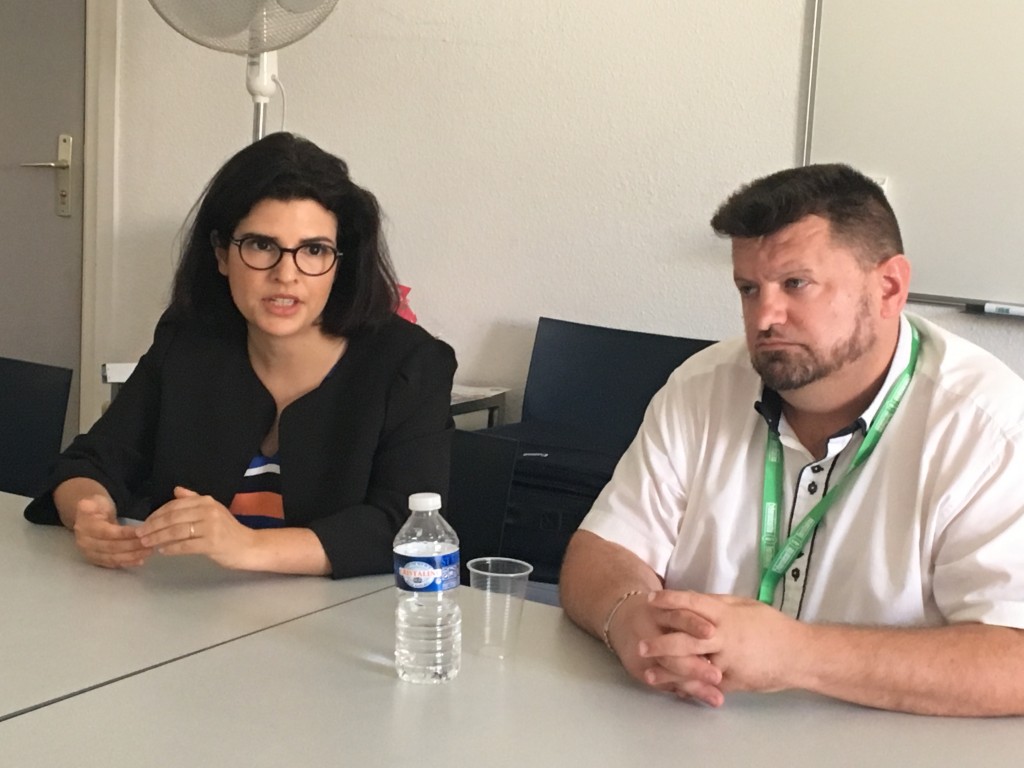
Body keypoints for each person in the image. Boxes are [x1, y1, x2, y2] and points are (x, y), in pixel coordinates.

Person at [560, 163, 1024, 717]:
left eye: (795, 284)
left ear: (888, 288)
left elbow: (1014, 661)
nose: (764, 317)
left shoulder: (989, 425)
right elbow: (602, 551)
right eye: (748, 289)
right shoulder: (701, 386)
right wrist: (626, 616)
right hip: (696, 730)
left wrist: (798, 655)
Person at [25, 132, 457, 579]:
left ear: (340, 263)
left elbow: (407, 526)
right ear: (221, 254)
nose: (286, 274)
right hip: (184, 605)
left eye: (314, 250)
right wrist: (88, 513)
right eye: (261, 245)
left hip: (348, 614)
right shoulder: (188, 342)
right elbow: (91, 461)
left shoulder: (410, 364)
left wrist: (249, 546)